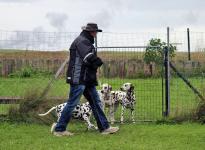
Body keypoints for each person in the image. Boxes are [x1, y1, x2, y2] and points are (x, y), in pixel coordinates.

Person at [52, 23, 119, 136]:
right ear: (90, 32)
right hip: (79, 78)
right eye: (95, 31)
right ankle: (59, 129)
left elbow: (86, 60)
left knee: (96, 102)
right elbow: (87, 56)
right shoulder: (82, 41)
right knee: (72, 103)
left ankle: (104, 128)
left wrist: (94, 66)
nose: (96, 34)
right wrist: (98, 62)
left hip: (86, 79)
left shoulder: (84, 40)